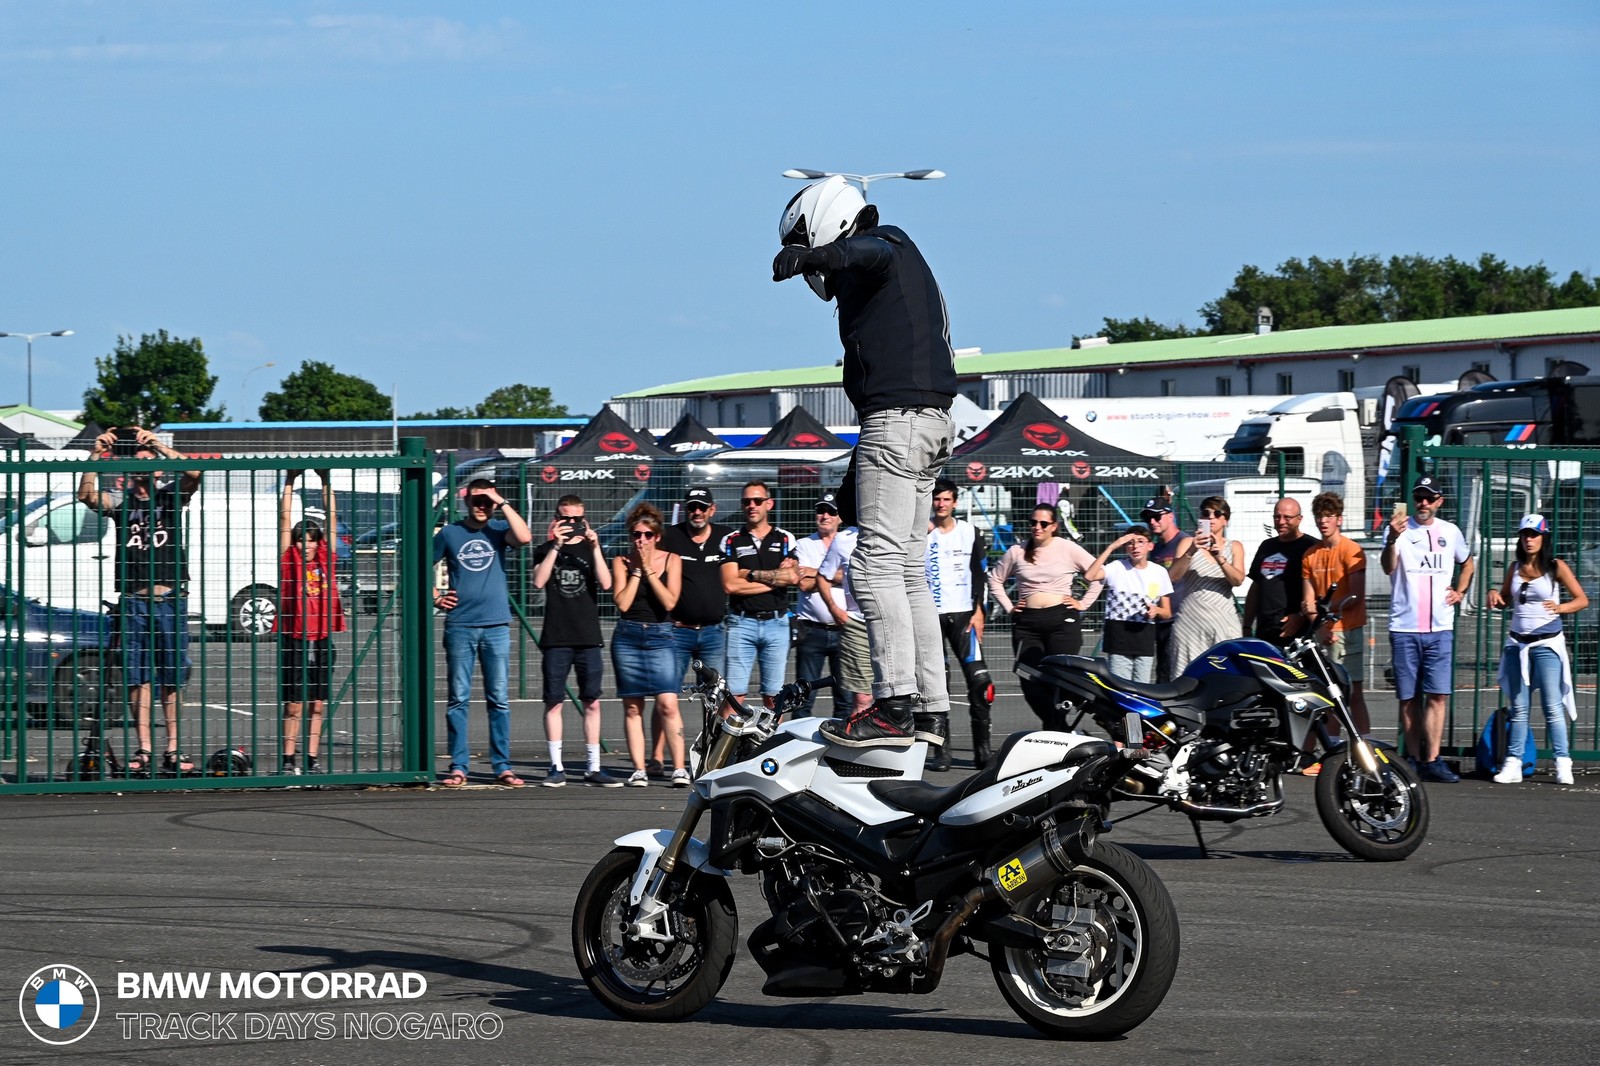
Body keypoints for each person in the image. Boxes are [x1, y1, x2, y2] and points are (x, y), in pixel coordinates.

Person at [773, 175, 957, 749]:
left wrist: (817, 253)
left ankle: (895, 702)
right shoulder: (894, 271)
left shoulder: (888, 245)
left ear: (827, 225)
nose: (814, 276)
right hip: (928, 425)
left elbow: (867, 250)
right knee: (905, 569)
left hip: (898, 423)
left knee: (873, 566)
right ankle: (929, 705)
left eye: (813, 259)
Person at [78, 426, 201, 777]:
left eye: (147, 462)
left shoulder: (170, 497)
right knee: (137, 678)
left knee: (172, 677)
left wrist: (158, 445)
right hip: (134, 601)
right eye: (137, 461)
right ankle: (144, 749)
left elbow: (195, 475)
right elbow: (86, 496)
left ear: (159, 469)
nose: (141, 465)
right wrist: (96, 453)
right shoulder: (122, 503)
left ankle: (173, 747)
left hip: (170, 599)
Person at [433, 478, 533, 788]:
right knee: (458, 699)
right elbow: (418, 564)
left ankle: (502, 765)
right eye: (477, 500)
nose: (482, 506)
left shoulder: (498, 530)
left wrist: (500, 501)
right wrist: (435, 596)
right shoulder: (450, 533)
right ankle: (458, 766)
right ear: (465, 501)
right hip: (461, 625)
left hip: (496, 626)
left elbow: (525, 537)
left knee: (499, 699)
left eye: (487, 501)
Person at [1381, 475, 1475, 783]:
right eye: (1418, 497)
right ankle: (1413, 759)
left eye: (1429, 498)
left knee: (1437, 696)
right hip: (1405, 626)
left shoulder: (1450, 531)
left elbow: (1469, 562)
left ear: (1438, 501)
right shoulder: (1398, 530)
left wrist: (1460, 591)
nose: (1423, 503)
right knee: (1409, 697)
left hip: (1440, 627)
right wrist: (1393, 539)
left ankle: (1433, 759)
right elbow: (1387, 567)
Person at [1487, 514, 1587, 785]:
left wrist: (1561, 608)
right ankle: (1513, 762)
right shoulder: (1515, 566)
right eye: (1525, 535)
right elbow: (1507, 598)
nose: (1529, 539)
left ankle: (1562, 762)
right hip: (1517, 644)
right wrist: (1496, 595)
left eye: (1534, 534)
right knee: (1519, 708)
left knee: (1552, 707)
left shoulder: (1556, 567)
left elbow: (1582, 599)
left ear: (1544, 537)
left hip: (1546, 644)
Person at [988, 503, 1102, 732]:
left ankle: (1060, 727)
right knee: (1028, 679)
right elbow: (994, 579)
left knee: (1060, 677)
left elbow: (1098, 575)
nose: (1037, 527)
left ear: (1054, 526)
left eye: (1043, 523)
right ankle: (1060, 728)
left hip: (1061, 620)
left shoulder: (1068, 548)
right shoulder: (1017, 551)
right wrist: (1010, 607)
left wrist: (1083, 603)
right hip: (1027, 622)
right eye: (1033, 523)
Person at [531, 494, 620, 788]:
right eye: (564, 518)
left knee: (592, 702)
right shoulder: (545, 548)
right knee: (554, 702)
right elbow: (539, 581)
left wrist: (594, 547)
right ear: (556, 519)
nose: (570, 524)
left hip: (587, 636)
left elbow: (607, 583)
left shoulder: (591, 547)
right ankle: (556, 766)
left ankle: (593, 766)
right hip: (557, 637)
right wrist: (556, 545)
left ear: (584, 520)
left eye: (576, 519)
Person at [655, 486, 732, 776]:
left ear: (712, 509)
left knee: (718, 696)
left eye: (702, 507)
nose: (696, 512)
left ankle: (717, 757)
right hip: (677, 631)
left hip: (713, 631)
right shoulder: (670, 537)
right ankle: (656, 758)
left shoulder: (726, 537)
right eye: (691, 507)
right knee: (666, 695)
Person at [611, 503, 689, 788]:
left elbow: (670, 602)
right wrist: (636, 571)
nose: (640, 540)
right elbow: (622, 603)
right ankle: (639, 769)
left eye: (646, 535)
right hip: (628, 636)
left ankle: (679, 767)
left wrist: (649, 571)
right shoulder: (621, 561)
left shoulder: (672, 560)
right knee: (633, 707)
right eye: (635, 535)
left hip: (661, 635)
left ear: (657, 536)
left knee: (668, 703)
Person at [275, 469, 346, 775]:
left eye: (311, 541)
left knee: (317, 703)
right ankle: (288, 761)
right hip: (295, 635)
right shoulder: (288, 558)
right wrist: (290, 481)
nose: (306, 546)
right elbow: (283, 519)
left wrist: (325, 481)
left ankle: (313, 759)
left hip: (321, 637)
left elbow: (332, 518)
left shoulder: (325, 559)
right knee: (294, 704)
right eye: (301, 541)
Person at [926, 478, 996, 770]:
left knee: (982, 684)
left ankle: (983, 752)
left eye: (946, 499)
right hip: (929, 616)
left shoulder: (969, 531)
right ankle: (941, 753)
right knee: (936, 686)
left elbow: (981, 573)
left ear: (954, 502)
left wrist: (979, 610)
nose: (941, 504)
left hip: (965, 615)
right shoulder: (920, 532)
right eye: (936, 499)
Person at [719, 480, 799, 710]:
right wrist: (775, 579)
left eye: (757, 501)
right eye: (746, 501)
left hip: (777, 623)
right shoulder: (732, 540)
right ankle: (728, 747)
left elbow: (793, 578)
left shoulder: (785, 538)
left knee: (774, 697)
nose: (751, 506)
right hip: (741, 623)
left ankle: (772, 746)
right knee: (734, 696)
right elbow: (730, 586)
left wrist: (751, 574)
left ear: (769, 504)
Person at [1300, 492, 1372, 738]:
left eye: (1329, 516)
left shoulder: (1352, 550)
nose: (1324, 521)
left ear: (1339, 519)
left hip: (1348, 632)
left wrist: (1325, 613)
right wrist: (1319, 626)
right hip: (1323, 635)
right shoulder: (1310, 554)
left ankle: (1368, 749)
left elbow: (1355, 597)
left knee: (1354, 694)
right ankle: (1333, 752)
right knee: (1328, 696)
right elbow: (1307, 601)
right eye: (1320, 516)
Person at [1166, 495, 1245, 677]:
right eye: (1205, 513)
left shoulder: (1234, 547)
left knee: (1228, 678)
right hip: (1190, 624)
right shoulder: (1187, 543)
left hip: (1224, 623)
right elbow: (1173, 577)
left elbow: (1238, 580)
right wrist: (1192, 550)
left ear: (1225, 520)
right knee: (1185, 678)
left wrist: (1220, 558)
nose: (1211, 517)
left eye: (1217, 513)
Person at [793, 491, 855, 719]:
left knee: (845, 699)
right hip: (812, 630)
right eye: (821, 511)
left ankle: (841, 751)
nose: (825, 515)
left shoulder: (850, 542)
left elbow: (855, 577)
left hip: (846, 629)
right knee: (803, 698)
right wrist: (838, 575)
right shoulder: (803, 544)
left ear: (840, 517)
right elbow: (803, 583)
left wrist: (817, 574)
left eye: (831, 511)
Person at [1085, 525, 1174, 683]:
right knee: (1121, 688)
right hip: (1119, 639)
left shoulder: (1159, 572)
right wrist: (1112, 547)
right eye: (1130, 543)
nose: (1135, 546)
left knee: (1142, 689)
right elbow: (1090, 575)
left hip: (1144, 639)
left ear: (1150, 545)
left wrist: (1156, 610)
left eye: (1140, 541)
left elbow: (1167, 612)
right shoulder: (1117, 567)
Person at [815, 524, 875, 723]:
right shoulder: (843, 539)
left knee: (894, 695)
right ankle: (857, 750)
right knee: (863, 697)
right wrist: (835, 609)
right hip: (857, 625)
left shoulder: (894, 531)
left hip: (892, 624)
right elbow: (823, 577)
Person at [1243, 497, 1317, 649]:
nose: (1281, 521)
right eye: (1277, 516)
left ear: (1299, 519)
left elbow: (1320, 592)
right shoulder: (1266, 546)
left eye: (1287, 517)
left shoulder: (1311, 548)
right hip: (1265, 633)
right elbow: (1257, 585)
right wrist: (1247, 626)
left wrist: (1301, 617)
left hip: (1297, 635)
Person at [1141, 498, 1192, 682]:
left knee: (1174, 672)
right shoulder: (1155, 549)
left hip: (1179, 620)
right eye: (1148, 518)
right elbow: (1154, 583)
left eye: (1156, 516)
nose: (1152, 521)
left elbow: (1173, 578)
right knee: (1161, 671)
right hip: (1159, 618)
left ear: (1170, 516)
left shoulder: (1184, 542)